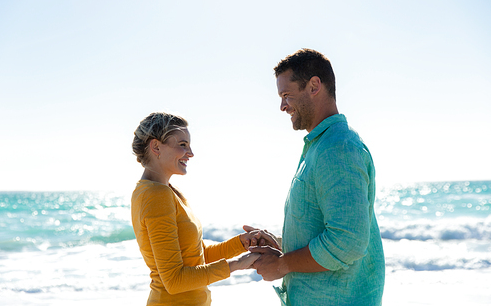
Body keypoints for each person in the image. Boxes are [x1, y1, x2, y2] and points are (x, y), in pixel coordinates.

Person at [250, 49, 385, 305]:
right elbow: (328, 231)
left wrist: (281, 265)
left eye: (286, 95)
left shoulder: (338, 148)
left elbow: (347, 242)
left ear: (314, 86)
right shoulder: (321, 147)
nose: (282, 106)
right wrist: (282, 246)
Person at [131, 112, 279, 306]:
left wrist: (240, 244)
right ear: (156, 147)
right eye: (182, 145)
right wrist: (236, 265)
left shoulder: (161, 191)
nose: (190, 153)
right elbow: (174, 280)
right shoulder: (156, 195)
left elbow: (197, 258)